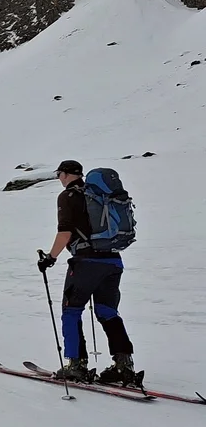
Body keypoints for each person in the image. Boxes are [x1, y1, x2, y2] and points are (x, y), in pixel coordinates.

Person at [37, 160, 137, 384]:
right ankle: (124, 365)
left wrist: (50, 258)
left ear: (65, 174)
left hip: (86, 262)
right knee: (107, 312)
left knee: (71, 311)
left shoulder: (68, 197)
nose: (59, 178)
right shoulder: (99, 195)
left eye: (59, 174)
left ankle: (76, 365)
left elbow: (65, 233)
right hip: (112, 260)